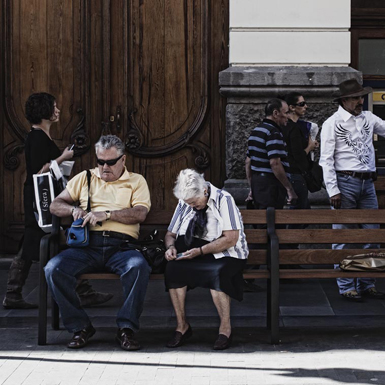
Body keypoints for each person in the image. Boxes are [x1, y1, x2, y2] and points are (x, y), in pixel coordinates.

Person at [3, 92, 111, 309]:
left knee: (44, 238)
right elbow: (38, 171)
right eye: (54, 107)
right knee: (56, 236)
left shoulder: (40, 136)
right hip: (40, 198)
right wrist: (63, 157)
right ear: (45, 111)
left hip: (43, 197)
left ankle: (15, 293)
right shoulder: (36, 137)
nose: (58, 110)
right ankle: (82, 291)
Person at [45, 135, 151, 351]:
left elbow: (140, 213)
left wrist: (108, 214)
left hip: (121, 247)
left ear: (123, 160)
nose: (105, 167)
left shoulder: (136, 181)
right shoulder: (84, 178)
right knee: (53, 269)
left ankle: (126, 328)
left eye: (111, 162)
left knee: (138, 267)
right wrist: (73, 210)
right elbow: (55, 205)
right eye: (100, 161)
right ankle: (80, 327)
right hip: (87, 246)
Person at [320, 78, 385, 302]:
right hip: (345, 182)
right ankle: (346, 286)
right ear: (344, 100)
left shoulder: (368, 118)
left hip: (367, 182)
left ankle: (367, 283)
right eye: (355, 98)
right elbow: (326, 160)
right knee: (344, 235)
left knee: (372, 234)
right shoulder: (332, 123)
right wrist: (333, 189)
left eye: (361, 97)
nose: (360, 101)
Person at [163, 169, 248, 350]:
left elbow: (231, 238)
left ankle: (225, 329)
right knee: (173, 270)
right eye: (189, 203)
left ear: (204, 191)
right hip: (193, 250)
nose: (192, 206)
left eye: (194, 203)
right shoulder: (185, 202)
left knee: (216, 273)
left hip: (225, 252)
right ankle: (182, 326)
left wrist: (201, 251)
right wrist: (171, 247)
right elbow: (170, 234)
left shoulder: (224, 199)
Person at [245, 98, 298, 210]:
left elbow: (248, 162)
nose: (288, 116)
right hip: (271, 185)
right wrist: (289, 189)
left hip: (258, 183)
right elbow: (275, 163)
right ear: (275, 113)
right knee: (271, 222)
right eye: (286, 112)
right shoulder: (273, 132)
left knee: (262, 222)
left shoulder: (256, 131)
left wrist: (252, 187)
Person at [282, 92, 319, 212]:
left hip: (289, 174)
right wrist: (310, 147)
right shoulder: (293, 128)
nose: (306, 106)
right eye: (302, 104)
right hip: (295, 175)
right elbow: (298, 155)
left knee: (301, 210)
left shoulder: (286, 126)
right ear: (292, 107)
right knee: (300, 213)